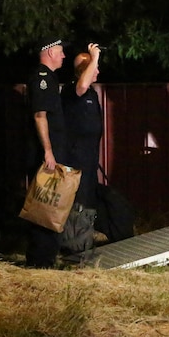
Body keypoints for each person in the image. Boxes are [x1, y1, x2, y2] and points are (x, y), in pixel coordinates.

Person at [24, 36, 68, 268]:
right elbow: (40, 116)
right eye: (60, 51)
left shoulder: (50, 78)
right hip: (46, 155)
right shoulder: (42, 78)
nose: (63, 56)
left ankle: (46, 256)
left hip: (52, 152)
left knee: (52, 203)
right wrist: (48, 151)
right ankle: (40, 259)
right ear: (50, 52)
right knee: (45, 205)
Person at [60, 43, 103, 212]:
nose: (97, 71)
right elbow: (81, 86)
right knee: (79, 198)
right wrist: (95, 57)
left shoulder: (92, 92)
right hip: (76, 157)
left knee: (90, 196)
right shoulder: (72, 89)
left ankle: (86, 231)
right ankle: (75, 234)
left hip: (91, 155)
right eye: (95, 68)